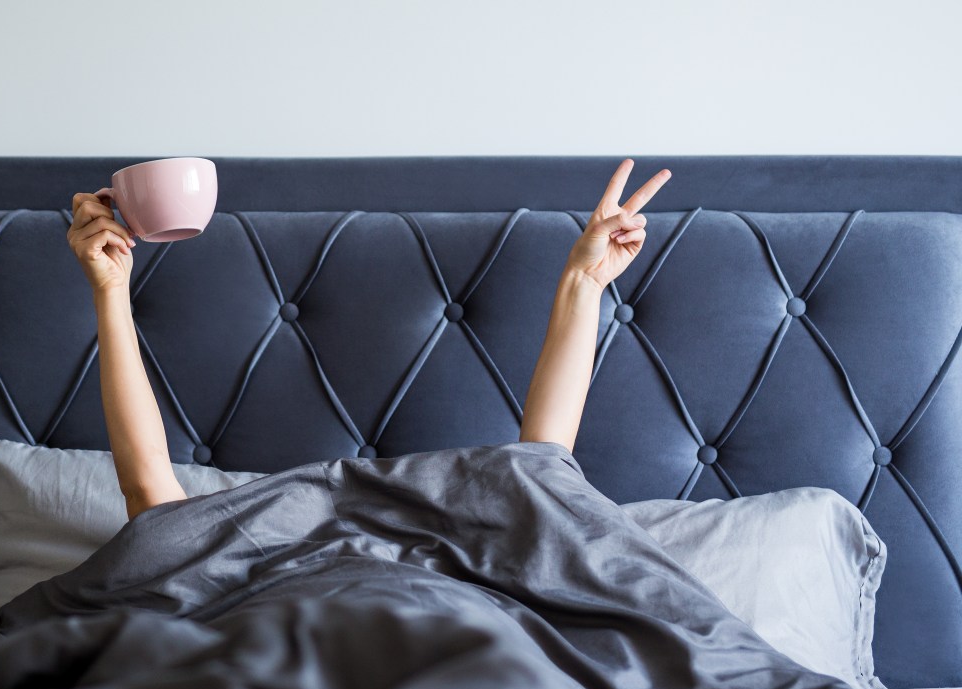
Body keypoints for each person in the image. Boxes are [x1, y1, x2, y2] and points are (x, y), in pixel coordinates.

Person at [66, 158, 672, 520]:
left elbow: (542, 471)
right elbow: (149, 491)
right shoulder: (240, 554)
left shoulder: (471, 558)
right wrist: (110, 290)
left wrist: (586, 282)